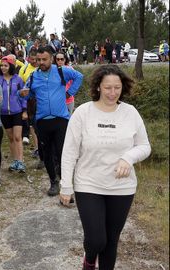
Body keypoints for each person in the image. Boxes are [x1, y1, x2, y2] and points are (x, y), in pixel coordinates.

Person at [59, 65, 151, 270]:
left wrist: (128, 158)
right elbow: (69, 152)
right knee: (96, 240)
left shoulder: (130, 113)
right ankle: (89, 259)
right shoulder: (83, 113)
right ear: (98, 87)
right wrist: (66, 186)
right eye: (107, 87)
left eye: (117, 87)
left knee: (111, 241)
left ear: (122, 87)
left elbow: (145, 146)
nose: (112, 93)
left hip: (122, 187)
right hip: (88, 184)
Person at [18, 46, 83, 196]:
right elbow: (26, 94)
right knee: (47, 153)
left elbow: (79, 76)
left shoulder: (61, 71)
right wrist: (22, 94)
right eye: (38, 59)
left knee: (62, 153)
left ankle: (65, 181)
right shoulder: (33, 76)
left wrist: (69, 92)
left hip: (61, 119)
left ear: (51, 58)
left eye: (44, 59)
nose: (41, 62)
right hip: (42, 121)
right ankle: (53, 182)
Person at [0, 56, 27, 173]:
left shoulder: (18, 79)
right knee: (10, 138)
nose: (3, 67)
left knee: (17, 137)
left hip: (17, 112)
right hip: (4, 113)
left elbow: (24, 95)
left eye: (5, 65)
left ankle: (21, 161)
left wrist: (24, 110)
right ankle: (15, 161)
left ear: (11, 66)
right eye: (2, 66)